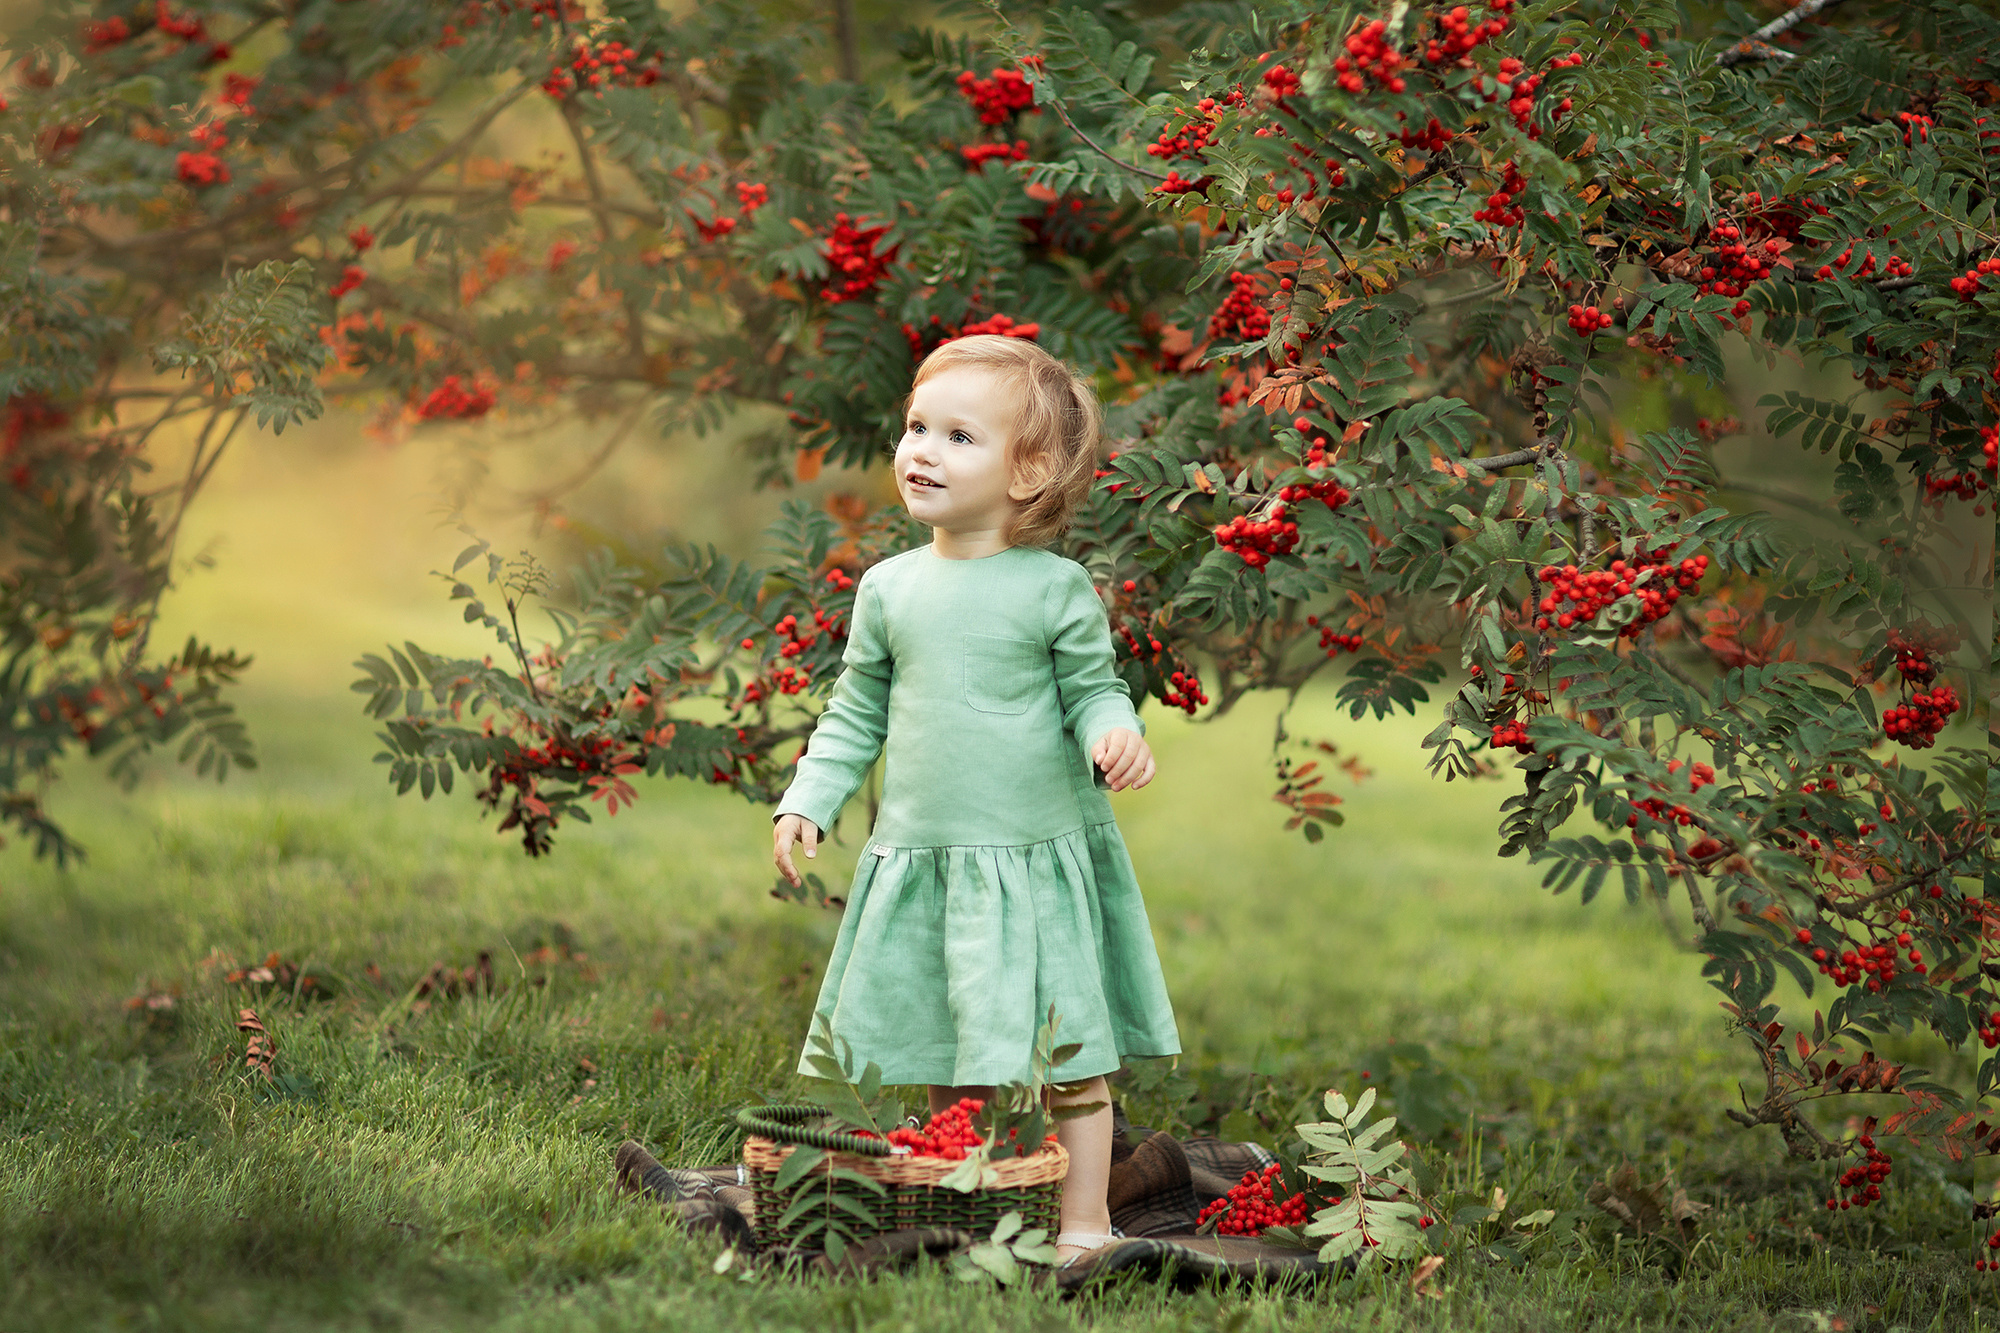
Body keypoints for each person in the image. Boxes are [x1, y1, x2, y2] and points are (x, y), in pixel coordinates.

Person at [770, 333, 1181, 1262]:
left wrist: (1116, 734)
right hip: (926, 851)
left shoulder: (1053, 587)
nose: (920, 450)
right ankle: (963, 1200)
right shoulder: (888, 588)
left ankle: (1084, 1220)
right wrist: (810, 796)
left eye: (958, 436)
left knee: (1069, 1052)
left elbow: (1093, 689)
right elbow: (853, 712)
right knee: (938, 1037)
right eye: (917, 427)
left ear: (1027, 469)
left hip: (1031, 853)